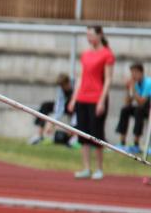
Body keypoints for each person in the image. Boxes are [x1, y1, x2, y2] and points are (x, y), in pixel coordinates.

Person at [67, 25, 114, 180]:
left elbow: (108, 80)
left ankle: (99, 168)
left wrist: (101, 101)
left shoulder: (107, 54)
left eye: (92, 35)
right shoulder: (85, 54)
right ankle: (86, 167)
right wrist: (74, 98)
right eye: (87, 35)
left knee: (97, 133)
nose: (89, 38)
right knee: (83, 133)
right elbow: (81, 77)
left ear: (100, 35)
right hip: (82, 98)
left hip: (97, 98)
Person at [29, 73, 74, 145]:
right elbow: (59, 106)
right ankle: (39, 135)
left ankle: (74, 137)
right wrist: (52, 122)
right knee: (45, 105)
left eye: (63, 86)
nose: (62, 88)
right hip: (65, 106)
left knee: (76, 110)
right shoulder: (61, 89)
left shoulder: (75, 86)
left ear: (67, 83)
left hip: (75, 106)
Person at [115, 62, 151, 154]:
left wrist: (133, 90)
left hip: (147, 109)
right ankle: (122, 142)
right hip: (140, 108)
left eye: (135, 72)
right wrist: (129, 89)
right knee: (125, 110)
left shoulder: (148, 83)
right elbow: (127, 102)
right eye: (132, 73)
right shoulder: (134, 84)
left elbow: (142, 102)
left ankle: (136, 143)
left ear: (141, 72)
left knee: (139, 111)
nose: (133, 75)